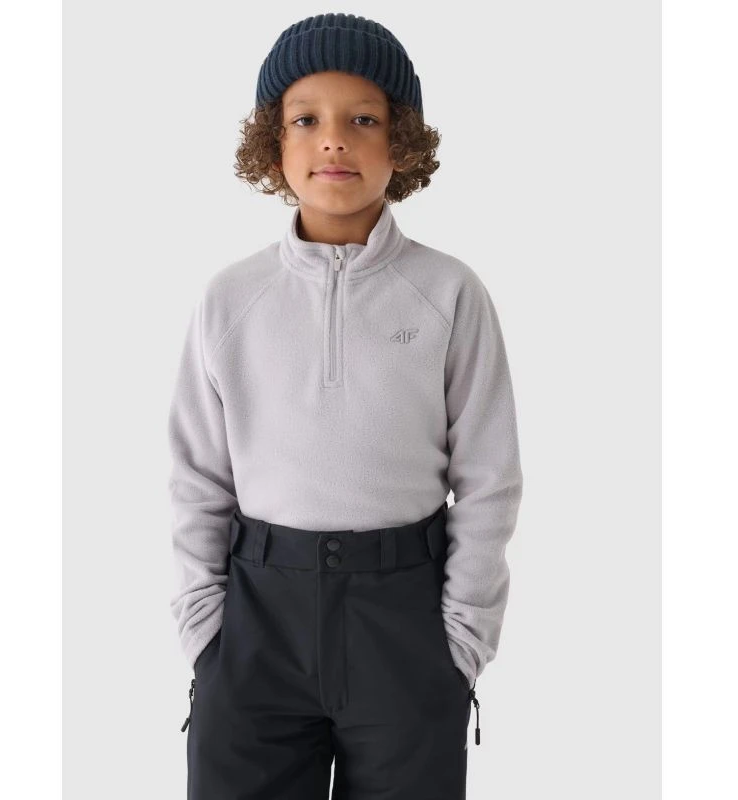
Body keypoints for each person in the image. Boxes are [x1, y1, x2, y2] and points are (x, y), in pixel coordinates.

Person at [168, 12, 524, 799]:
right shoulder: (231, 298)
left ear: (402, 142)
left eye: (363, 119)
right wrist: (205, 633)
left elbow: (490, 477)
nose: (334, 141)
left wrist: (462, 640)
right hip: (256, 623)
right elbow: (198, 476)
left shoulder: (449, 293)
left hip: (406, 624)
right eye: (307, 120)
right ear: (273, 143)